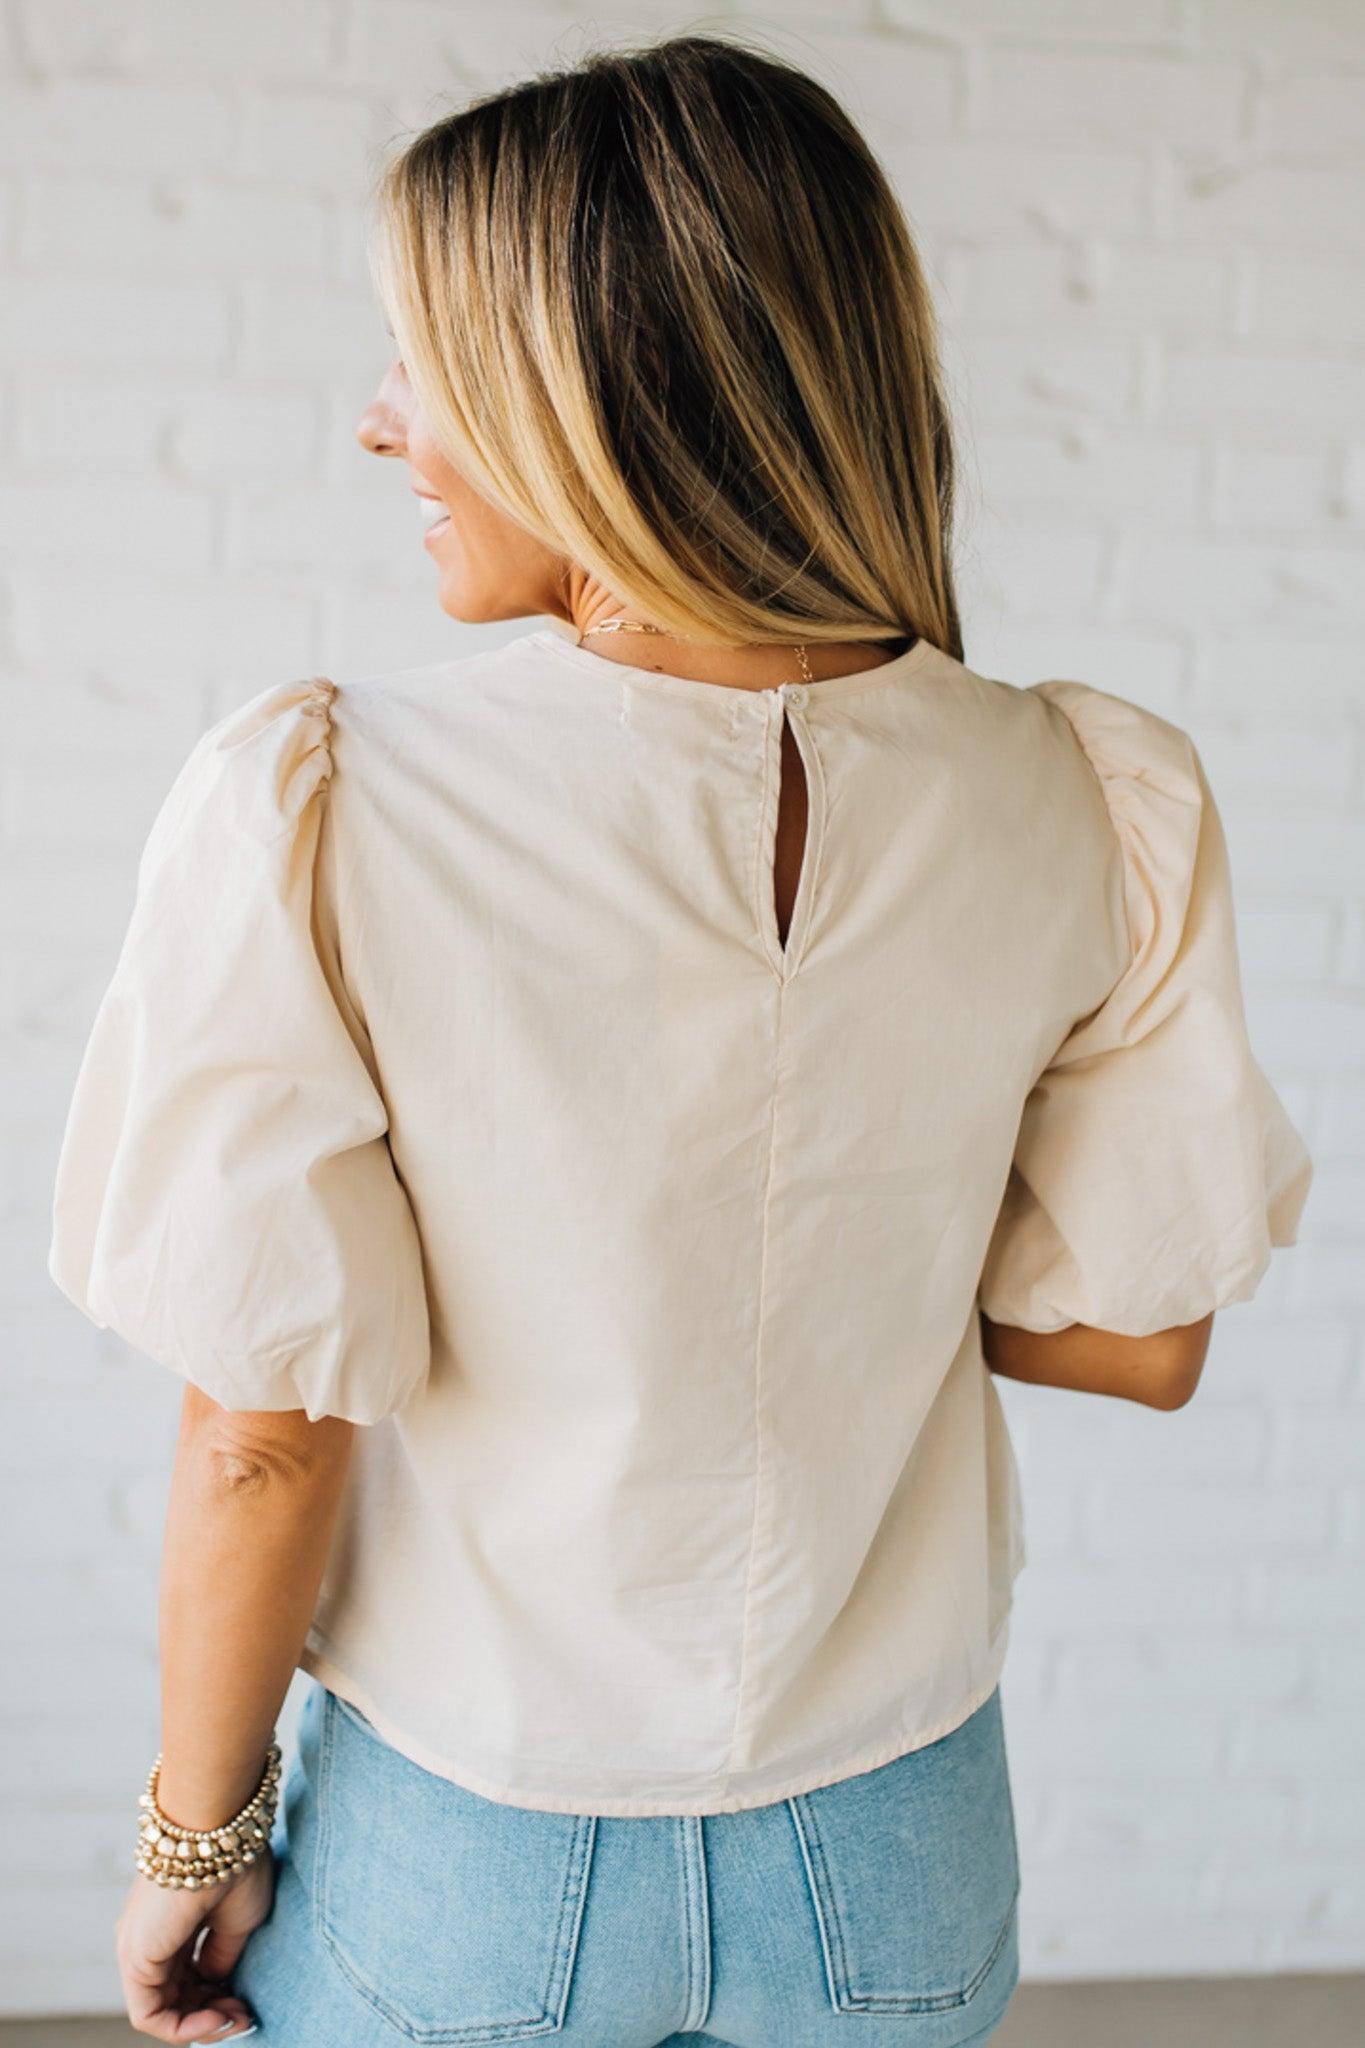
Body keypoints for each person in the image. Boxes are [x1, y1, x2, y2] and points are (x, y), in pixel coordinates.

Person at [46, 31, 1313, 2048]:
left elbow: (263, 1430)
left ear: (591, 409)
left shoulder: (327, 802)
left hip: (470, 1850)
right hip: (897, 1836)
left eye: (423, 366)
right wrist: (830, 1255)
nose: (381, 429)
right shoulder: (1083, 789)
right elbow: (1142, 1340)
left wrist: (190, 1846)